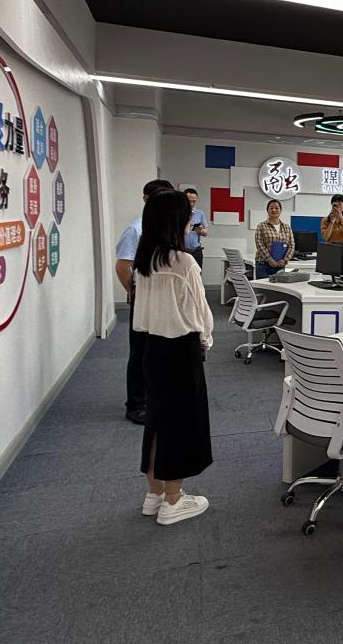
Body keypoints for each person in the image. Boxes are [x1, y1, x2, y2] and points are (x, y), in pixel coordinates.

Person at [132, 189, 213, 525]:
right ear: (175, 220)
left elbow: (140, 313)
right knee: (181, 424)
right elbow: (199, 312)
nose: (189, 221)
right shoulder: (184, 262)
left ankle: (154, 493)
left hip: (152, 348)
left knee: (157, 421)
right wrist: (206, 340)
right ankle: (174, 499)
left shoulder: (145, 260)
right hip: (181, 349)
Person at [115, 179, 174, 425]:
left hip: (164, 299)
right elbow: (122, 266)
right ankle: (136, 404)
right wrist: (135, 293)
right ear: (146, 199)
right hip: (144, 299)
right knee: (140, 352)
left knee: (159, 351)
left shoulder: (166, 228)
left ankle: (153, 397)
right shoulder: (136, 229)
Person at [254, 199, 294, 279]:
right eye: (271, 208)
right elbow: (259, 244)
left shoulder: (287, 227)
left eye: (276, 208)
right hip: (263, 264)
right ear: (267, 210)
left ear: (280, 210)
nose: (274, 210)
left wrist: (285, 260)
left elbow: (291, 245)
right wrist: (269, 259)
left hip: (280, 264)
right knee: (263, 287)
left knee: (279, 287)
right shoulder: (261, 226)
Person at [183, 188, 209, 268]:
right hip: (183, 251)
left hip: (196, 251)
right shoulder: (178, 213)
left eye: (194, 201)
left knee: (198, 273)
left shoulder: (200, 213)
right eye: (189, 201)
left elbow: (206, 232)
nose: (191, 204)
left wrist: (200, 230)